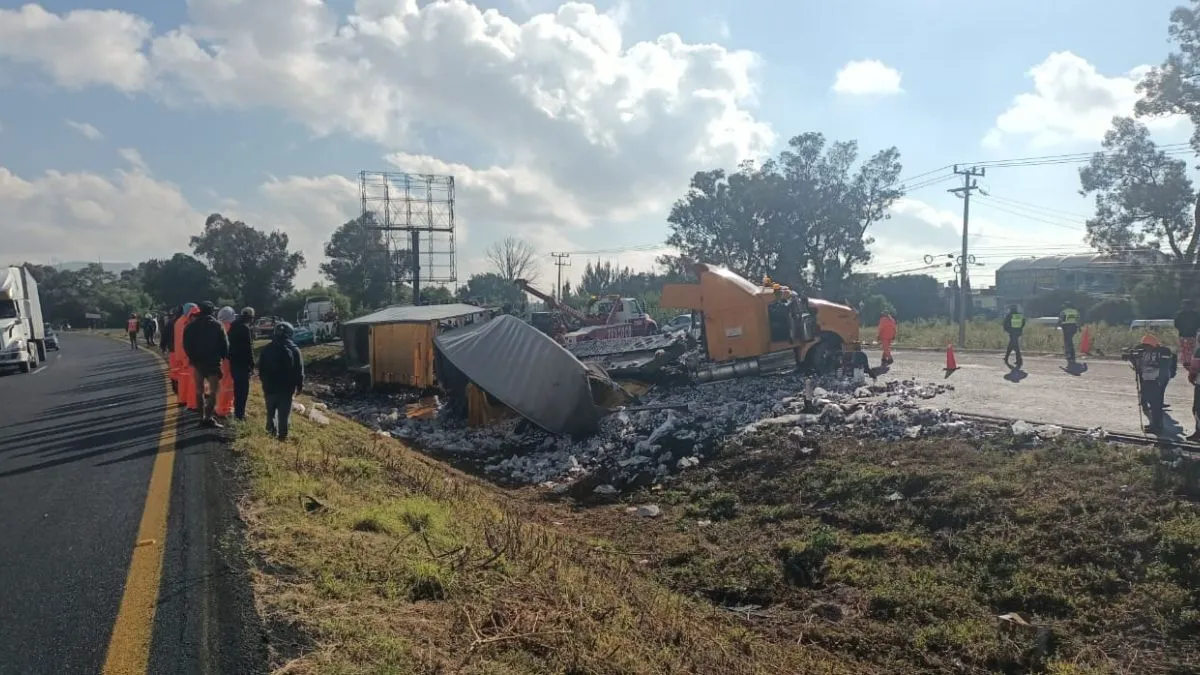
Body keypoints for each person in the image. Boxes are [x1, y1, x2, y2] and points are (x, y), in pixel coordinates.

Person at [182, 301, 230, 428]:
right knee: (214, 392)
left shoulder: (191, 326)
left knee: (199, 391)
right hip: (213, 362)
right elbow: (225, 345)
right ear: (212, 311)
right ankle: (208, 418)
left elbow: (186, 344)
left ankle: (201, 417)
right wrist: (221, 356)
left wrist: (193, 358)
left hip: (197, 362)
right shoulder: (217, 325)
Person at [258, 322, 304, 441]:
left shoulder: (267, 348)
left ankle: (269, 433)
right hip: (286, 388)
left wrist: (264, 382)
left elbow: (261, 368)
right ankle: (282, 437)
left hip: (269, 387)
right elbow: (299, 370)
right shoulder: (294, 349)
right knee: (283, 415)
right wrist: (299, 385)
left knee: (270, 412)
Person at [1131, 333, 1177, 434]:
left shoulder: (1162, 352)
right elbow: (1139, 365)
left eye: (1145, 345)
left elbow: (1164, 366)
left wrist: (1161, 379)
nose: (1144, 347)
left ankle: (1157, 426)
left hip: (1157, 380)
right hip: (1148, 379)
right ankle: (1155, 424)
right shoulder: (1145, 352)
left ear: (1151, 345)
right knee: (1152, 403)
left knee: (1156, 404)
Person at [228, 306, 256, 422]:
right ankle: (240, 414)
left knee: (237, 388)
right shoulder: (245, 328)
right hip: (242, 363)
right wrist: (252, 364)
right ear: (250, 317)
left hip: (233, 361)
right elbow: (249, 347)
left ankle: (237, 411)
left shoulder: (233, 326)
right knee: (243, 390)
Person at [1176, 299, 1200, 371]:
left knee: (1188, 348)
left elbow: (1176, 324)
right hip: (1187, 334)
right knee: (1186, 348)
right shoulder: (1181, 314)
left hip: (1187, 334)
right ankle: (1187, 361)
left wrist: (1181, 329)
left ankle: (1187, 361)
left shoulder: (1181, 314)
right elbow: (1176, 323)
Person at [1002, 304, 1025, 369]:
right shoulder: (1018, 315)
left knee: (1014, 347)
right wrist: (1019, 329)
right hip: (1017, 333)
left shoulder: (1009, 315)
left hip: (1012, 333)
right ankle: (1008, 358)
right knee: (1012, 346)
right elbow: (1023, 323)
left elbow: (1005, 324)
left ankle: (1019, 361)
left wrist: (1007, 330)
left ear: (1011, 309)